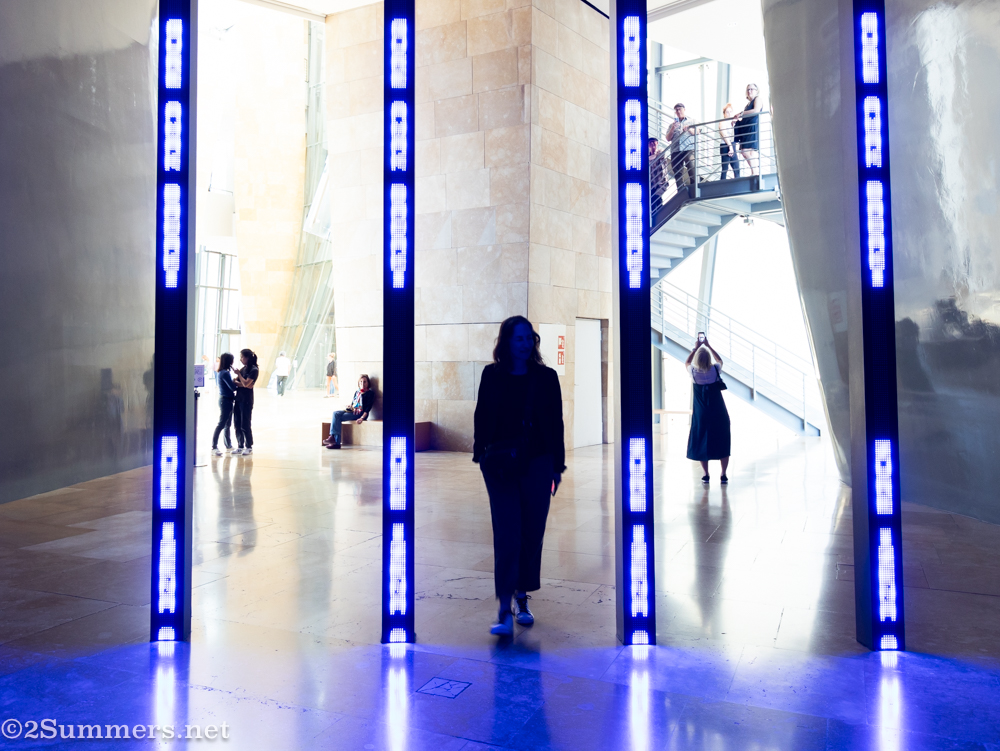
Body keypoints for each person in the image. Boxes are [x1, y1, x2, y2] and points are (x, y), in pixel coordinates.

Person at [473, 316, 565, 636]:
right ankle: (503, 609)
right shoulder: (492, 375)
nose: (525, 344)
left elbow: (556, 425)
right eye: (519, 339)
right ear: (506, 342)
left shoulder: (546, 377)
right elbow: (482, 414)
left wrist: (558, 466)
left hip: (538, 463)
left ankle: (522, 596)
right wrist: (480, 454)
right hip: (499, 465)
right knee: (507, 533)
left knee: (531, 532)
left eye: (529, 338)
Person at [684, 338, 731, 484]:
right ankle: (723, 474)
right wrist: (708, 345)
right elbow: (720, 360)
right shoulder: (715, 370)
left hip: (701, 414)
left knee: (701, 440)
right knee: (723, 440)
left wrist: (695, 348)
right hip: (718, 412)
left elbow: (687, 362)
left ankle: (706, 474)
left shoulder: (693, 372)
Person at [324, 374, 374, 449]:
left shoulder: (370, 393)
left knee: (338, 417)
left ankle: (335, 441)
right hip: (353, 411)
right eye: (361, 382)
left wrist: (362, 418)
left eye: (364, 382)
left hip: (360, 414)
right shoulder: (357, 392)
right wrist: (350, 406)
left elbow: (368, 408)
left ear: (368, 383)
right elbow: (353, 404)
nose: (362, 384)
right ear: (358, 383)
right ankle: (333, 438)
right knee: (335, 413)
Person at [233, 349, 258, 456]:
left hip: (247, 400)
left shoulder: (254, 369)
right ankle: (240, 445)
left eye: (242, 357)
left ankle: (248, 446)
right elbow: (237, 382)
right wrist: (243, 383)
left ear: (248, 358)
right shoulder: (244, 369)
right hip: (238, 399)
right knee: (237, 423)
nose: (241, 359)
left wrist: (240, 377)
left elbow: (246, 383)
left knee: (245, 423)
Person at [733, 84, 762, 176]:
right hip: (747, 128)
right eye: (748, 89)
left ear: (756, 90)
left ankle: (755, 172)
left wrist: (741, 113)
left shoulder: (757, 99)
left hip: (751, 128)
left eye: (752, 89)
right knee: (749, 152)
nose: (749, 91)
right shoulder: (747, 105)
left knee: (744, 151)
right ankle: (754, 172)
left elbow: (756, 110)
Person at [211, 353, 237, 456]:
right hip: (225, 401)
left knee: (227, 424)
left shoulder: (221, 372)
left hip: (226, 400)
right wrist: (235, 381)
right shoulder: (225, 373)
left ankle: (228, 445)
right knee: (222, 424)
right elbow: (233, 388)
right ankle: (214, 447)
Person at [666, 103, 696, 187]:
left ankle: (693, 189)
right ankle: (681, 192)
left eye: (680, 109)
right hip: (675, 150)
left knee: (691, 167)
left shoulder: (692, 121)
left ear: (684, 109)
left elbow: (697, 132)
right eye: (676, 110)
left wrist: (689, 129)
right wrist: (672, 128)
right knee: (677, 173)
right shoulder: (672, 125)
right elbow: (668, 138)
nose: (678, 111)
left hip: (688, 148)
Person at [718, 103, 740, 180]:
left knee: (736, 167)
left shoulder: (732, 123)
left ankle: (737, 184)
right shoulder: (722, 122)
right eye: (727, 112)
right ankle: (722, 186)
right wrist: (730, 147)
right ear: (724, 114)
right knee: (725, 169)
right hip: (725, 145)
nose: (729, 113)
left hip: (732, 145)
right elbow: (725, 135)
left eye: (731, 112)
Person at [648, 137, 670, 208]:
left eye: (653, 142)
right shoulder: (648, 156)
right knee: (656, 200)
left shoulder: (660, 151)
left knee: (654, 198)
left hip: (661, 182)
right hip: (653, 184)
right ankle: (659, 215)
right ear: (648, 145)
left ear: (657, 143)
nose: (652, 143)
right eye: (650, 142)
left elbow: (657, 156)